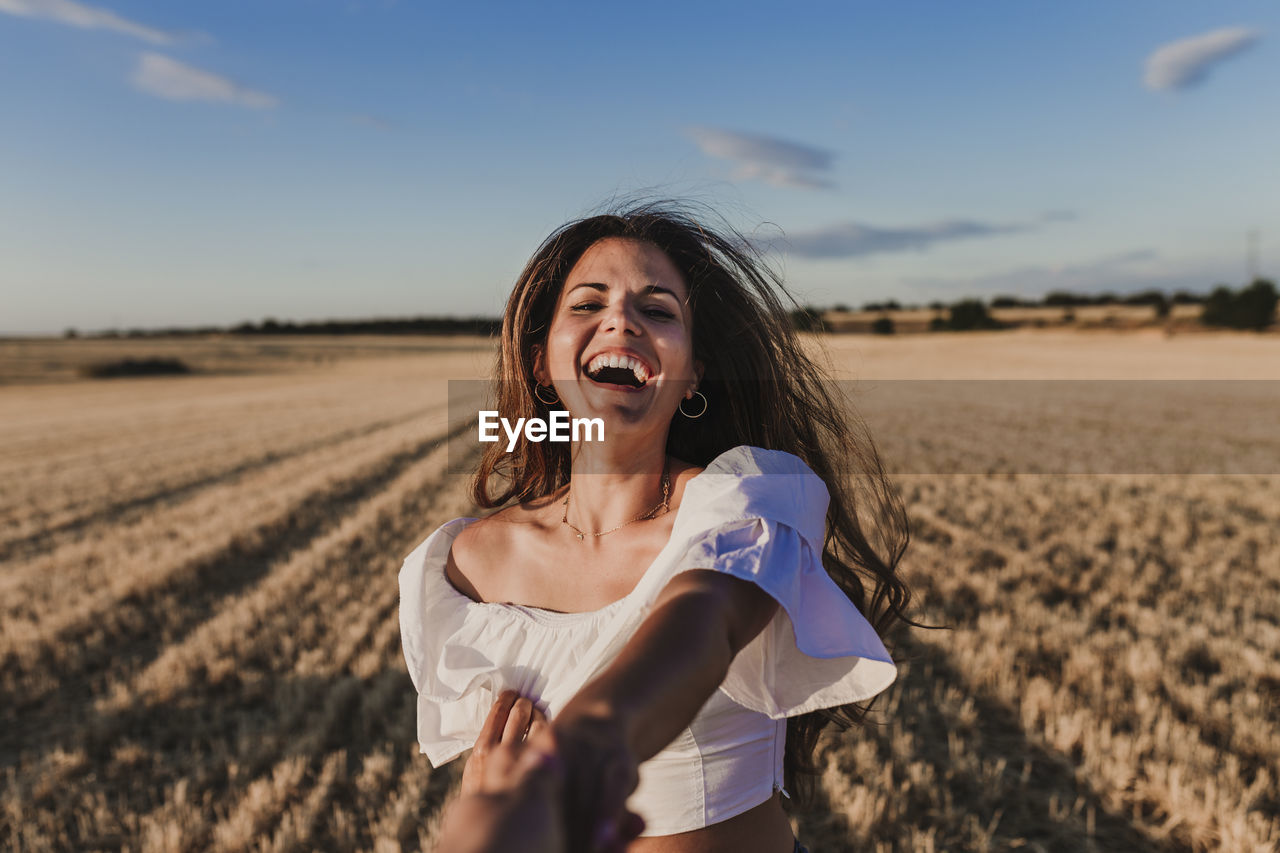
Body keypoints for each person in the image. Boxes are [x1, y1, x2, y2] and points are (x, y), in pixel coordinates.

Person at [399, 201, 915, 852]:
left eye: (658, 309)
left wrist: (560, 772)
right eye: (588, 304)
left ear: (694, 371)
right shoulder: (465, 564)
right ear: (540, 365)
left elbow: (696, 633)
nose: (621, 318)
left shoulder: (747, 502)